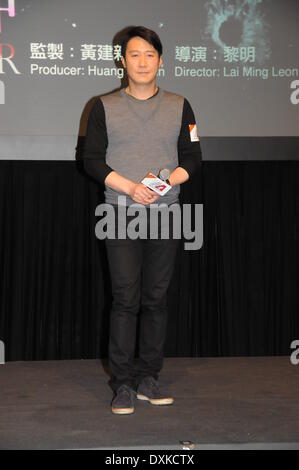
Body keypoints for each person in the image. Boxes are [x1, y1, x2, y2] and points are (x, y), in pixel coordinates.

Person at [83, 26, 202, 414]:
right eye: (134, 54)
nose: (142, 61)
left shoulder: (180, 104)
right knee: (125, 299)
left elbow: (192, 159)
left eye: (150, 54)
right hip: (119, 213)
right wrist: (131, 189)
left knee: (155, 299)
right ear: (123, 61)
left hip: (167, 215)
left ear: (161, 60)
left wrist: (167, 181)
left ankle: (149, 376)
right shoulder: (103, 105)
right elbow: (93, 160)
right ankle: (122, 384)